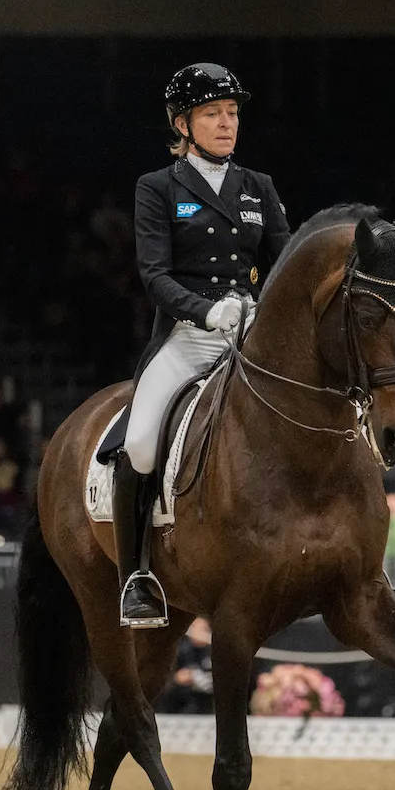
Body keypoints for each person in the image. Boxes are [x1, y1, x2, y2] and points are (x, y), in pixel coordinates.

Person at [114, 63, 291, 625]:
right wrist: (207, 309)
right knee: (140, 444)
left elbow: (282, 263)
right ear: (182, 123)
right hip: (189, 338)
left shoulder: (257, 186)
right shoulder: (157, 187)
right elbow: (154, 276)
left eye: (232, 113)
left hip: (252, 341)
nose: (226, 123)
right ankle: (136, 574)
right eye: (213, 113)